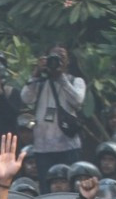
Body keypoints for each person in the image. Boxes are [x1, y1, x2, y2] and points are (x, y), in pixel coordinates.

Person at [23, 45, 87, 178]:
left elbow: (78, 101)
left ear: (68, 61)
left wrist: (61, 77)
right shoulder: (39, 82)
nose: (58, 60)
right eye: (54, 57)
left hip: (68, 145)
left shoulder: (75, 81)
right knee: (47, 185)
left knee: (69, 183)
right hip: (42, 147)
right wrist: (35, 73)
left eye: (62, 57)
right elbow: (26, 98)